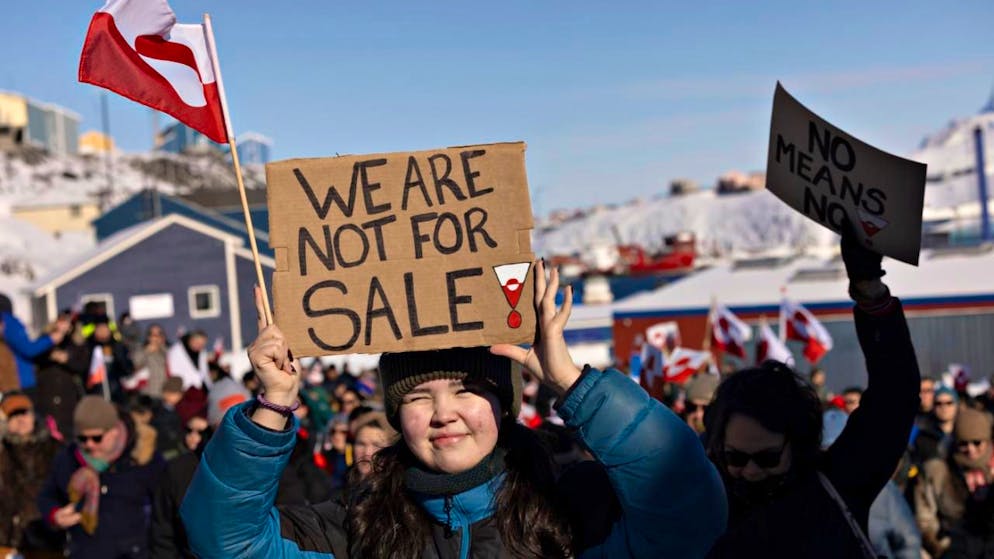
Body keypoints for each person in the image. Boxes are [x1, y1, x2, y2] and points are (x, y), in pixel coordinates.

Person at [181, 262, 727, 558]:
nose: (444, 412)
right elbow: (228, 543)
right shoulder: (359, 527)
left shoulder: (574, 510)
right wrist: (275, 402)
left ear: (503, 405)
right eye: (418, 397)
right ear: (396, 417)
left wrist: (569, 380)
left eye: (466, 390)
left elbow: (687, 510)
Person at [703, 233, 920, 558]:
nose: (750, 471)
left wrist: (870, 292)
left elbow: (895, 394)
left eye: (767, 458)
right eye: (735, 457)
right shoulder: (699, 506)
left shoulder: (836, 486)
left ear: (798, 442)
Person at [37, 395, 165, 558]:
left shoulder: (144, 461)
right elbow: (47, 495)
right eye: (82, 438)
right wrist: (54, 515)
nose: (89, 445)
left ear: (114, 431)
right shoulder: (68, 459)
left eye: (97, 438)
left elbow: (166, 508)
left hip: (133, 552)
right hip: (84, 551)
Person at [914, 407, 994, 558]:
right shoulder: (938, 470)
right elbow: (925, 520)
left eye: (977, 443)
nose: (970, 450)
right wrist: (939, 547)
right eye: (963, 443)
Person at [0, 393, 64, 556]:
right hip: (13, 540)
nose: (21, 419)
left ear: (33, 415)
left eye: (24, 413)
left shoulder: (56, 449)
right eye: (14, 415)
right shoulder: (3, 454)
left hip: (54, 537)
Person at [0, 293, 70, 394]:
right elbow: (29, 349)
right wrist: (50, 339)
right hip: (20, 381)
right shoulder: (8, 322)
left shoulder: (6, 323)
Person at [914, 385, 960, 465]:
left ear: (956, 405)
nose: (944, 407)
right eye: (938, 403)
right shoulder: (923, 436)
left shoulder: (964, 434)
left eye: (949, 403)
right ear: (933, 407)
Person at [132, 324, 169, 399]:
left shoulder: (168, 351)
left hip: (166, 393)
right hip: (148, 394)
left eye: (159, 334)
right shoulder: (141, 351)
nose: (155, 337)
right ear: (148, 337)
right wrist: (147, 351)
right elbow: (135, 365)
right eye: (152, 334)